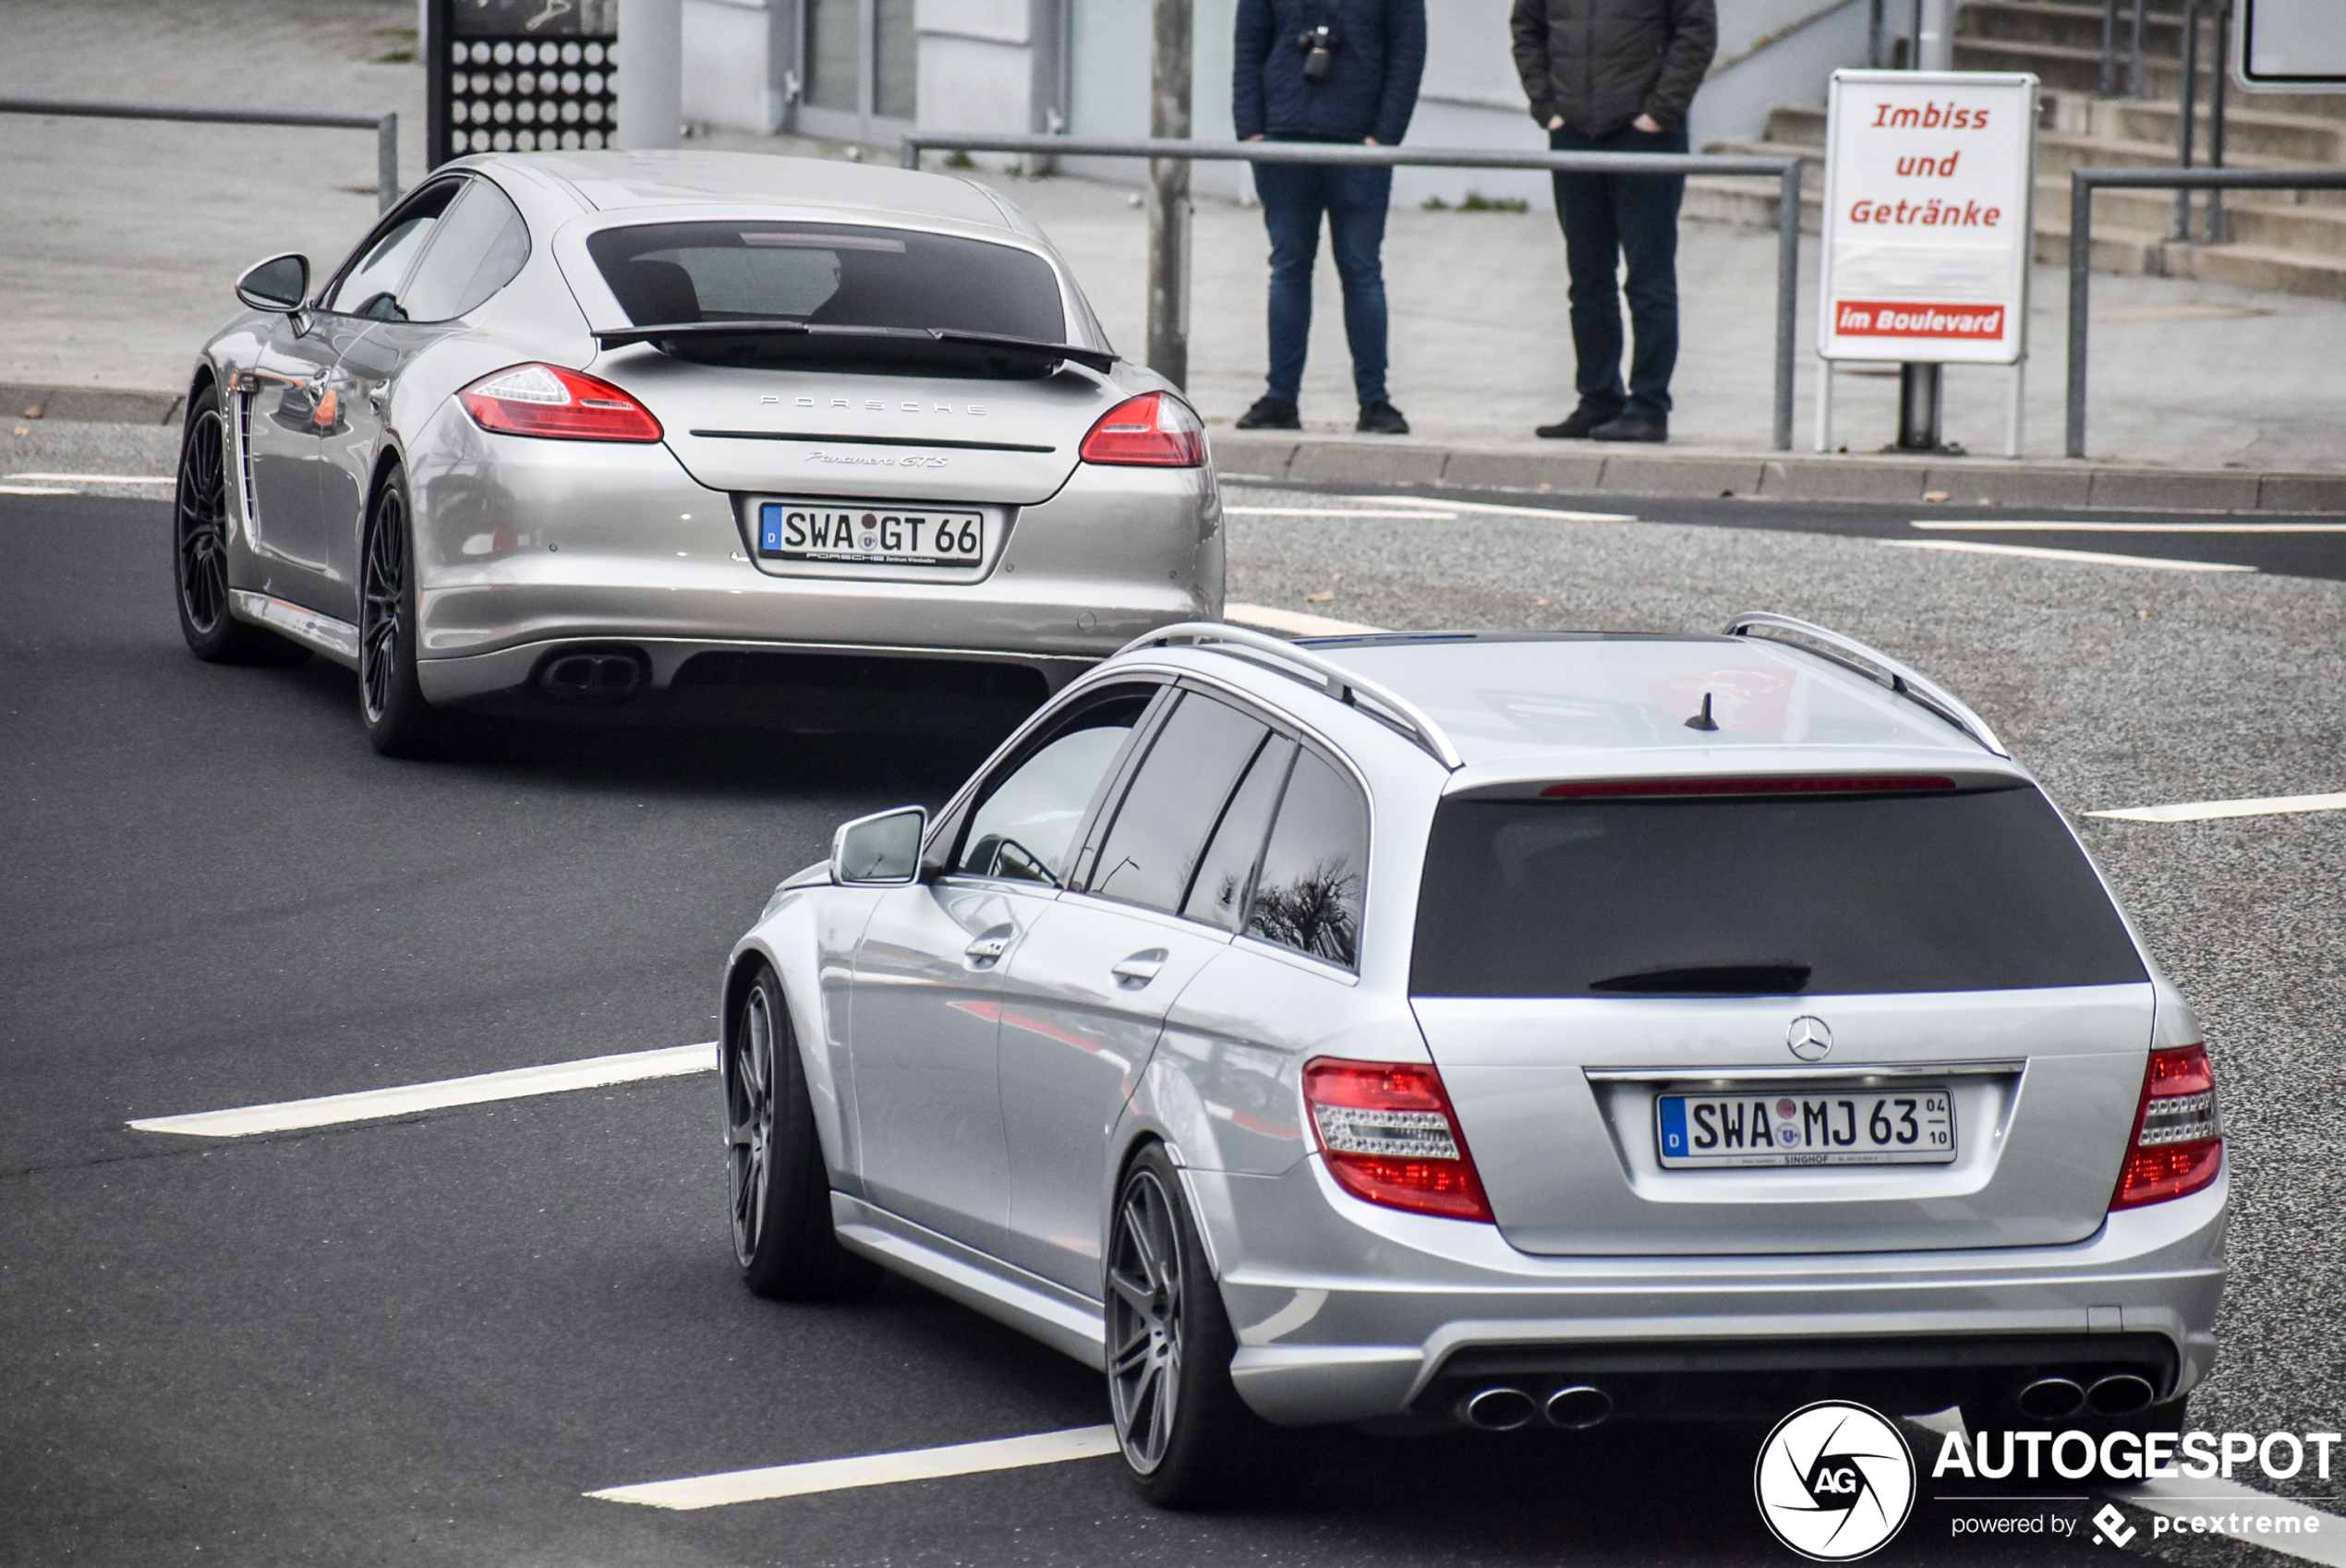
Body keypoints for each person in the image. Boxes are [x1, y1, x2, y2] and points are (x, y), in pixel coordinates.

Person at [1512, 0, 1717, 443]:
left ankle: (1648, 406)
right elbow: (1527, 26)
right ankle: (1598, 398)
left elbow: (1696, 31)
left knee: (1648, 279)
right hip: (1574, 133)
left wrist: (1660, 113)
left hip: (1644, 135)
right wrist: (1547, 107)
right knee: (1587, 279)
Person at [1233, 0, 1427, 436]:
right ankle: (1281, 398)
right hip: (1283, 138)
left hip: (1360, 143)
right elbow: (1249, 42)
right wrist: (1251, 131)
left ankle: (1374, 402)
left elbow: (1408, 50)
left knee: (1361, 270)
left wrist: (1385, 135)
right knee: (1288, 268)